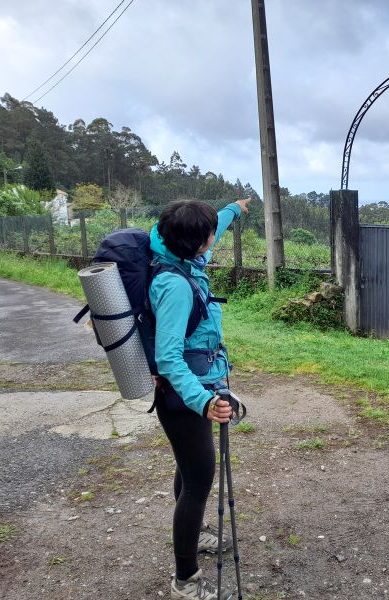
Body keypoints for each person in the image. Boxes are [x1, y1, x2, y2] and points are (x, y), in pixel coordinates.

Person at [149, 197, 249, 600]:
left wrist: (233, 209)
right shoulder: (175, 286)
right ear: (199, 243)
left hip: (192, 393)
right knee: (198, 483)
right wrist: (203, 401)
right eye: (210, 233)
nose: (215, 235)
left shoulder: (178, 255)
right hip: (185, 397)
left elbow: (213, 227)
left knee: (189, 471)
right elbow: (168, 357)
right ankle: (185, 581)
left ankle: (196, 539)